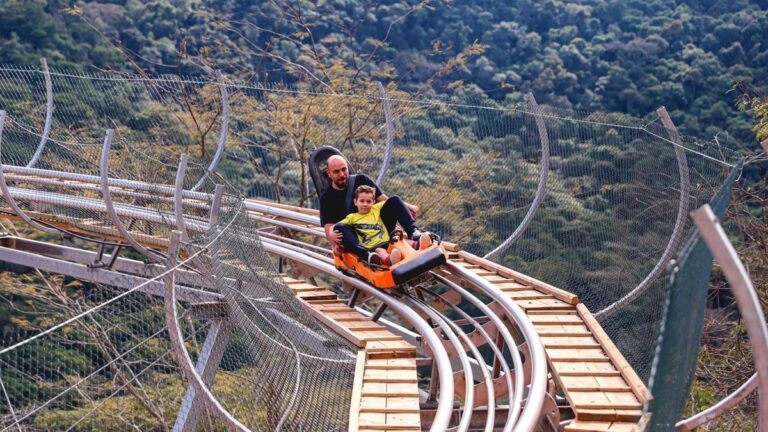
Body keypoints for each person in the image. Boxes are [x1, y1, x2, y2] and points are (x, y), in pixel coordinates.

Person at [319, 155, 430, 260]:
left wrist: (408, 207)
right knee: (339, 228)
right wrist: (333, 241)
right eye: (336, 172)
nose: (342, 174)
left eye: (344, 169)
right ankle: (366, 254)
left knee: (395, 199)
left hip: (378, 226)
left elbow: (385, 200)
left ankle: (414, 233)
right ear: (328, 173)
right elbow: (329, 227)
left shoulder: (361, 180)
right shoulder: (326, 198)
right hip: (357, 237)